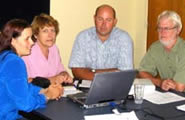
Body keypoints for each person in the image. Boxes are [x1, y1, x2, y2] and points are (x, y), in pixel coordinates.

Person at [0, 19, 62, 120]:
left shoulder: (5, 56)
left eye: (31, 38)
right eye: (27, 38)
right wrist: (47, 96)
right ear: (13, 40)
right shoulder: (14, 62)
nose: (32, 42)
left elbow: (20, 90)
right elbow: (25, 105)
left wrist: (44, 90)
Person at [69, 4, 133, 80]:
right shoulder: (83, 37)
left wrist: (92, 71)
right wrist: (113, 71)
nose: (104, 24)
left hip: (114, 86)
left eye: (108, 20)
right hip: (87, 87)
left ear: (115, 22)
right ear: (94, 19)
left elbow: (125, 73)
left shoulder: (124, 38)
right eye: (100, 19)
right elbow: (76, 71)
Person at [138, 10, 185, 92]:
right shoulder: (155, 47)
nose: (162, 32)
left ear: (178, 30)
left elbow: (179, 87)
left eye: (166, 28)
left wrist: (166, 84)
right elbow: (142, 72)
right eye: (159, 28)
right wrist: (159, 82)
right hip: (169, 94)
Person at [22, 13, 73, 86]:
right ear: (36, 34)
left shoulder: (54, 48)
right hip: (36, 94)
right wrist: (53, 79)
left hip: (55, 91)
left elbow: (60, 69)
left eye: (52, 30)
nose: (50, 35)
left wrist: (64, 75)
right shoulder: (28, 51)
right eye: (45, 31)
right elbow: (27, 82)